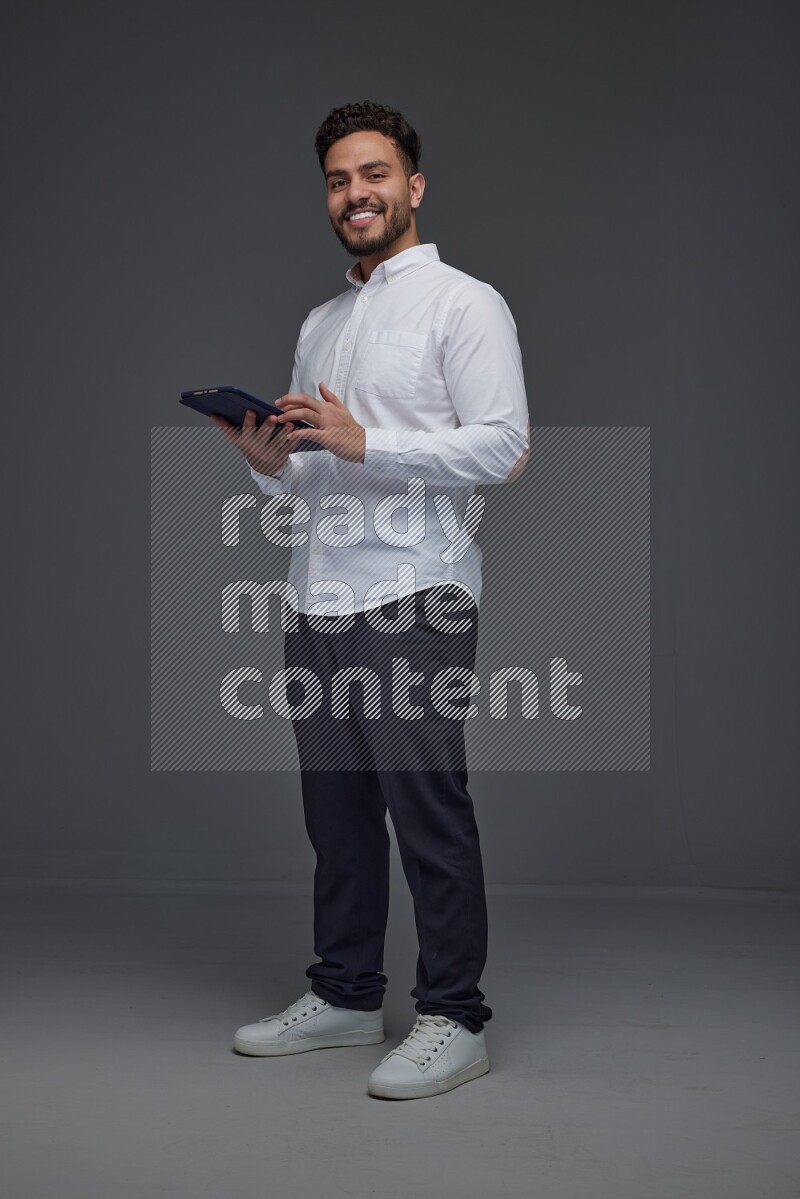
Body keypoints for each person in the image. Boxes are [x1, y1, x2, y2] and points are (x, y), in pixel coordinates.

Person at [212, 100, 530, 1100]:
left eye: (374, 174)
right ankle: (346, 993)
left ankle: (454, 1014)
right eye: (340, 180)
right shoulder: (321, 322)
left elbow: (503, 446)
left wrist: (364, 442)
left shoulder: (463, 304)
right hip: (317, 597)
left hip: (413, 596)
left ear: (413, 186)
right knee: (337, 815)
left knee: (425, 809)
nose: (357, 193)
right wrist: (272, 464)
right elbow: (315, 475)